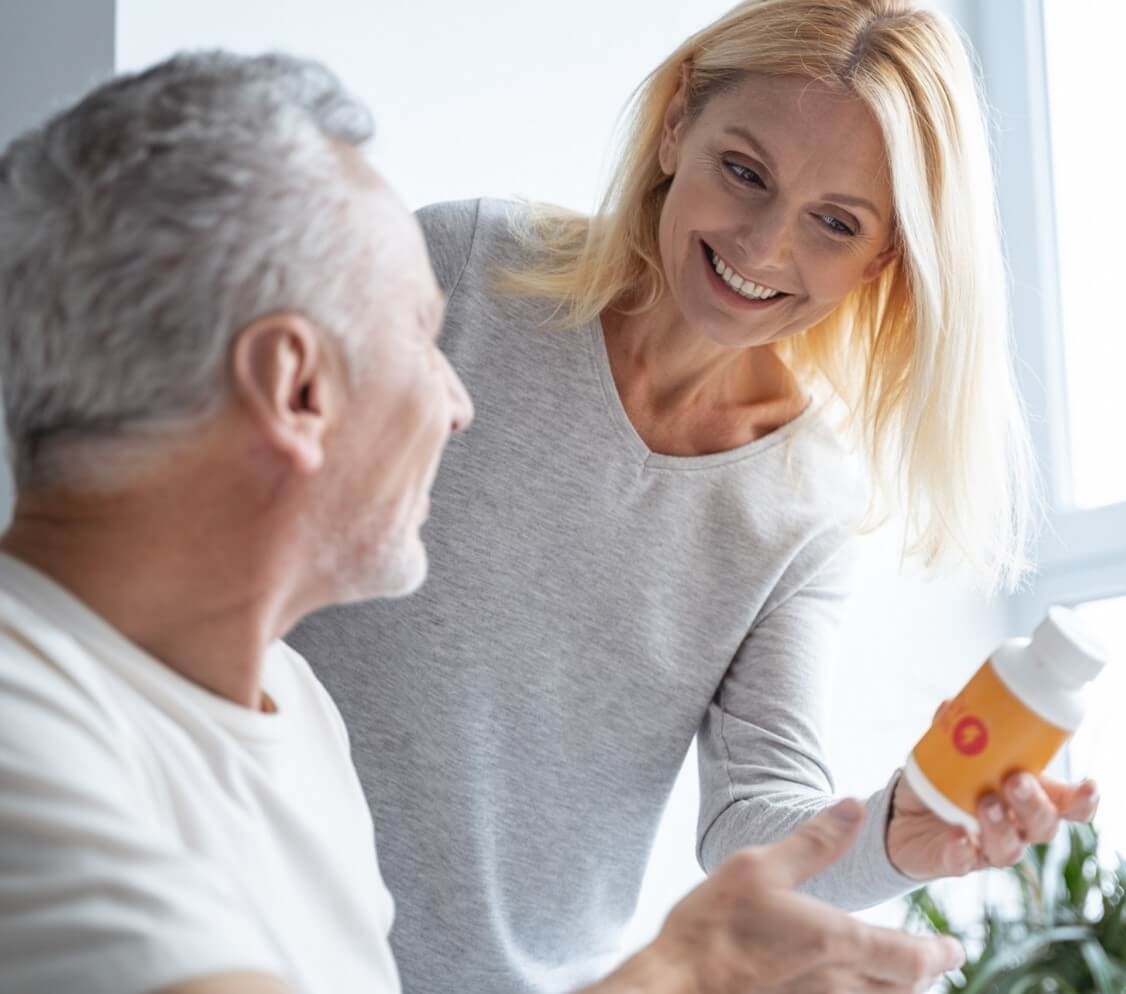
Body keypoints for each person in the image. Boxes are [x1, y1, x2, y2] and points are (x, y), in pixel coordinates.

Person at [0, 51, 964, 994]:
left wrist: (873, 839)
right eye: (420, 335)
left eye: (833, 222)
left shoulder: (297, 727)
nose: (461, 402)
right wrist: (683, 975)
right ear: (295, 385)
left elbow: (761, 803)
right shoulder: (38, 741)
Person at [290, 1, 1100, 992]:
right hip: (241, 923)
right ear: (677, 122)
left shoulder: (803, 506)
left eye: (833, 222)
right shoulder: (463, 266)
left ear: (880, 257)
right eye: (744, 172)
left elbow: (751, 819)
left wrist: (894, 833)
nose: (762, 248)